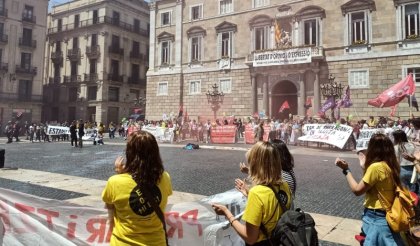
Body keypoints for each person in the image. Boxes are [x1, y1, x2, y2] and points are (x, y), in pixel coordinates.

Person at [212, 141, 292, 245]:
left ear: (255, 164)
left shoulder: (257, 193)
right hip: (278, 240)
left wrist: (227, 213)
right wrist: (248, 193)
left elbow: (250, 237)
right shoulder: (284, 185)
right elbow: (269, 206)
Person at [102, 130, 172, 245]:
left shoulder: (114, 182)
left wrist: (121, 174)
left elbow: (111, 218)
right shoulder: (165, 177)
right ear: (155, 152)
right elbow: (143, 177)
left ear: (129, 153)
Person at [335, 133, 404, 245]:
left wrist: (346, 170)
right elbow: (377, 184)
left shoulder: (375, 167)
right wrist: (365, 167)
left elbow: (357, 190)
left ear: (372, 148)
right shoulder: (392, 164)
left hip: (376, 217)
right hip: (388, 214)